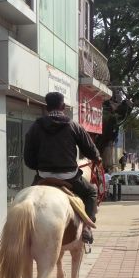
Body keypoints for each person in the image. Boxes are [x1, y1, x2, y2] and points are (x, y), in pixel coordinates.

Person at [24, 92, 101, 244]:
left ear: (47, 107)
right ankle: (87, 227)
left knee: (26, 199)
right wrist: (97, 157)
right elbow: (90, 151)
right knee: (91, 192)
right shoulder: (73, 125)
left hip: (43, 176)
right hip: (70, 177)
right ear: (63, 106)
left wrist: (38, 167)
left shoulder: (35, 126)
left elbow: (28, 159)